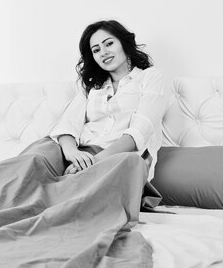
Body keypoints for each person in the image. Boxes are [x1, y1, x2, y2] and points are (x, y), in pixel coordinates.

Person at [48, 19, 168, 181]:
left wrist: (92, 163)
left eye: (109, 44)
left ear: (124, 43)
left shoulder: (151, 77)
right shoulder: (91, 87)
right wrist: (72, 153)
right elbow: (67, 125)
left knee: (122, 167)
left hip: (118, 157)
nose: (103, 52)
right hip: (78, 154)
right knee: (38, 155)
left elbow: (139, 132)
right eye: (96, 50)